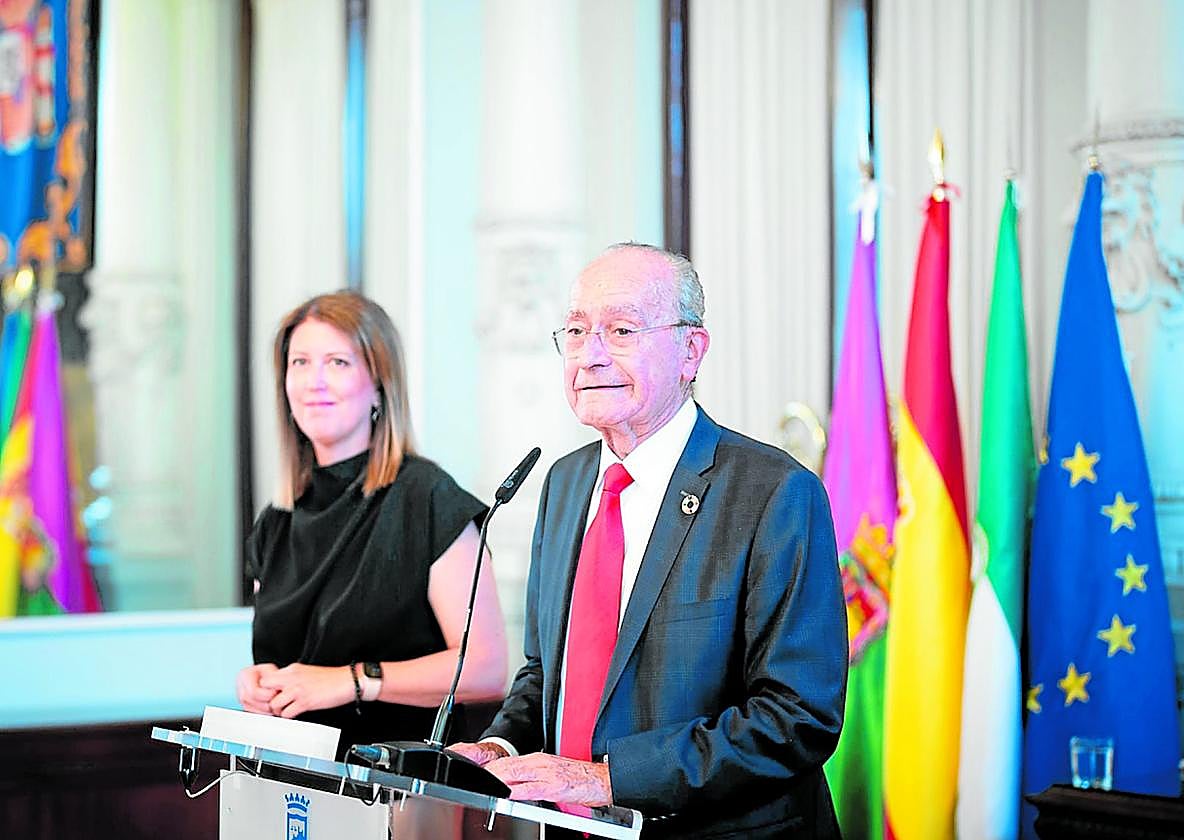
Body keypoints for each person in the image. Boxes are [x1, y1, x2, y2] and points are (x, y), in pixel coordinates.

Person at [452, 244, 848, 838]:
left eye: (621, 330)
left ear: (691, 351)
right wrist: (503, 746)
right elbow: (546, 671)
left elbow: (796, 716)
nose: (590, 356)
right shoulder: (564, 481)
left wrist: (608, 779)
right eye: (577, 332)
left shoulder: (775, 493)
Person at [236, 290, 509, 760]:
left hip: (399, 789)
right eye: (300, 363)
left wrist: (352, 682)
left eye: (338, 363)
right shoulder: (275, 524)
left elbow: (486, 669)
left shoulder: (426, 498)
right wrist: (259, 683)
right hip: (295, 779)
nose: (314, 382)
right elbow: (291, 661)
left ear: (379, 384)